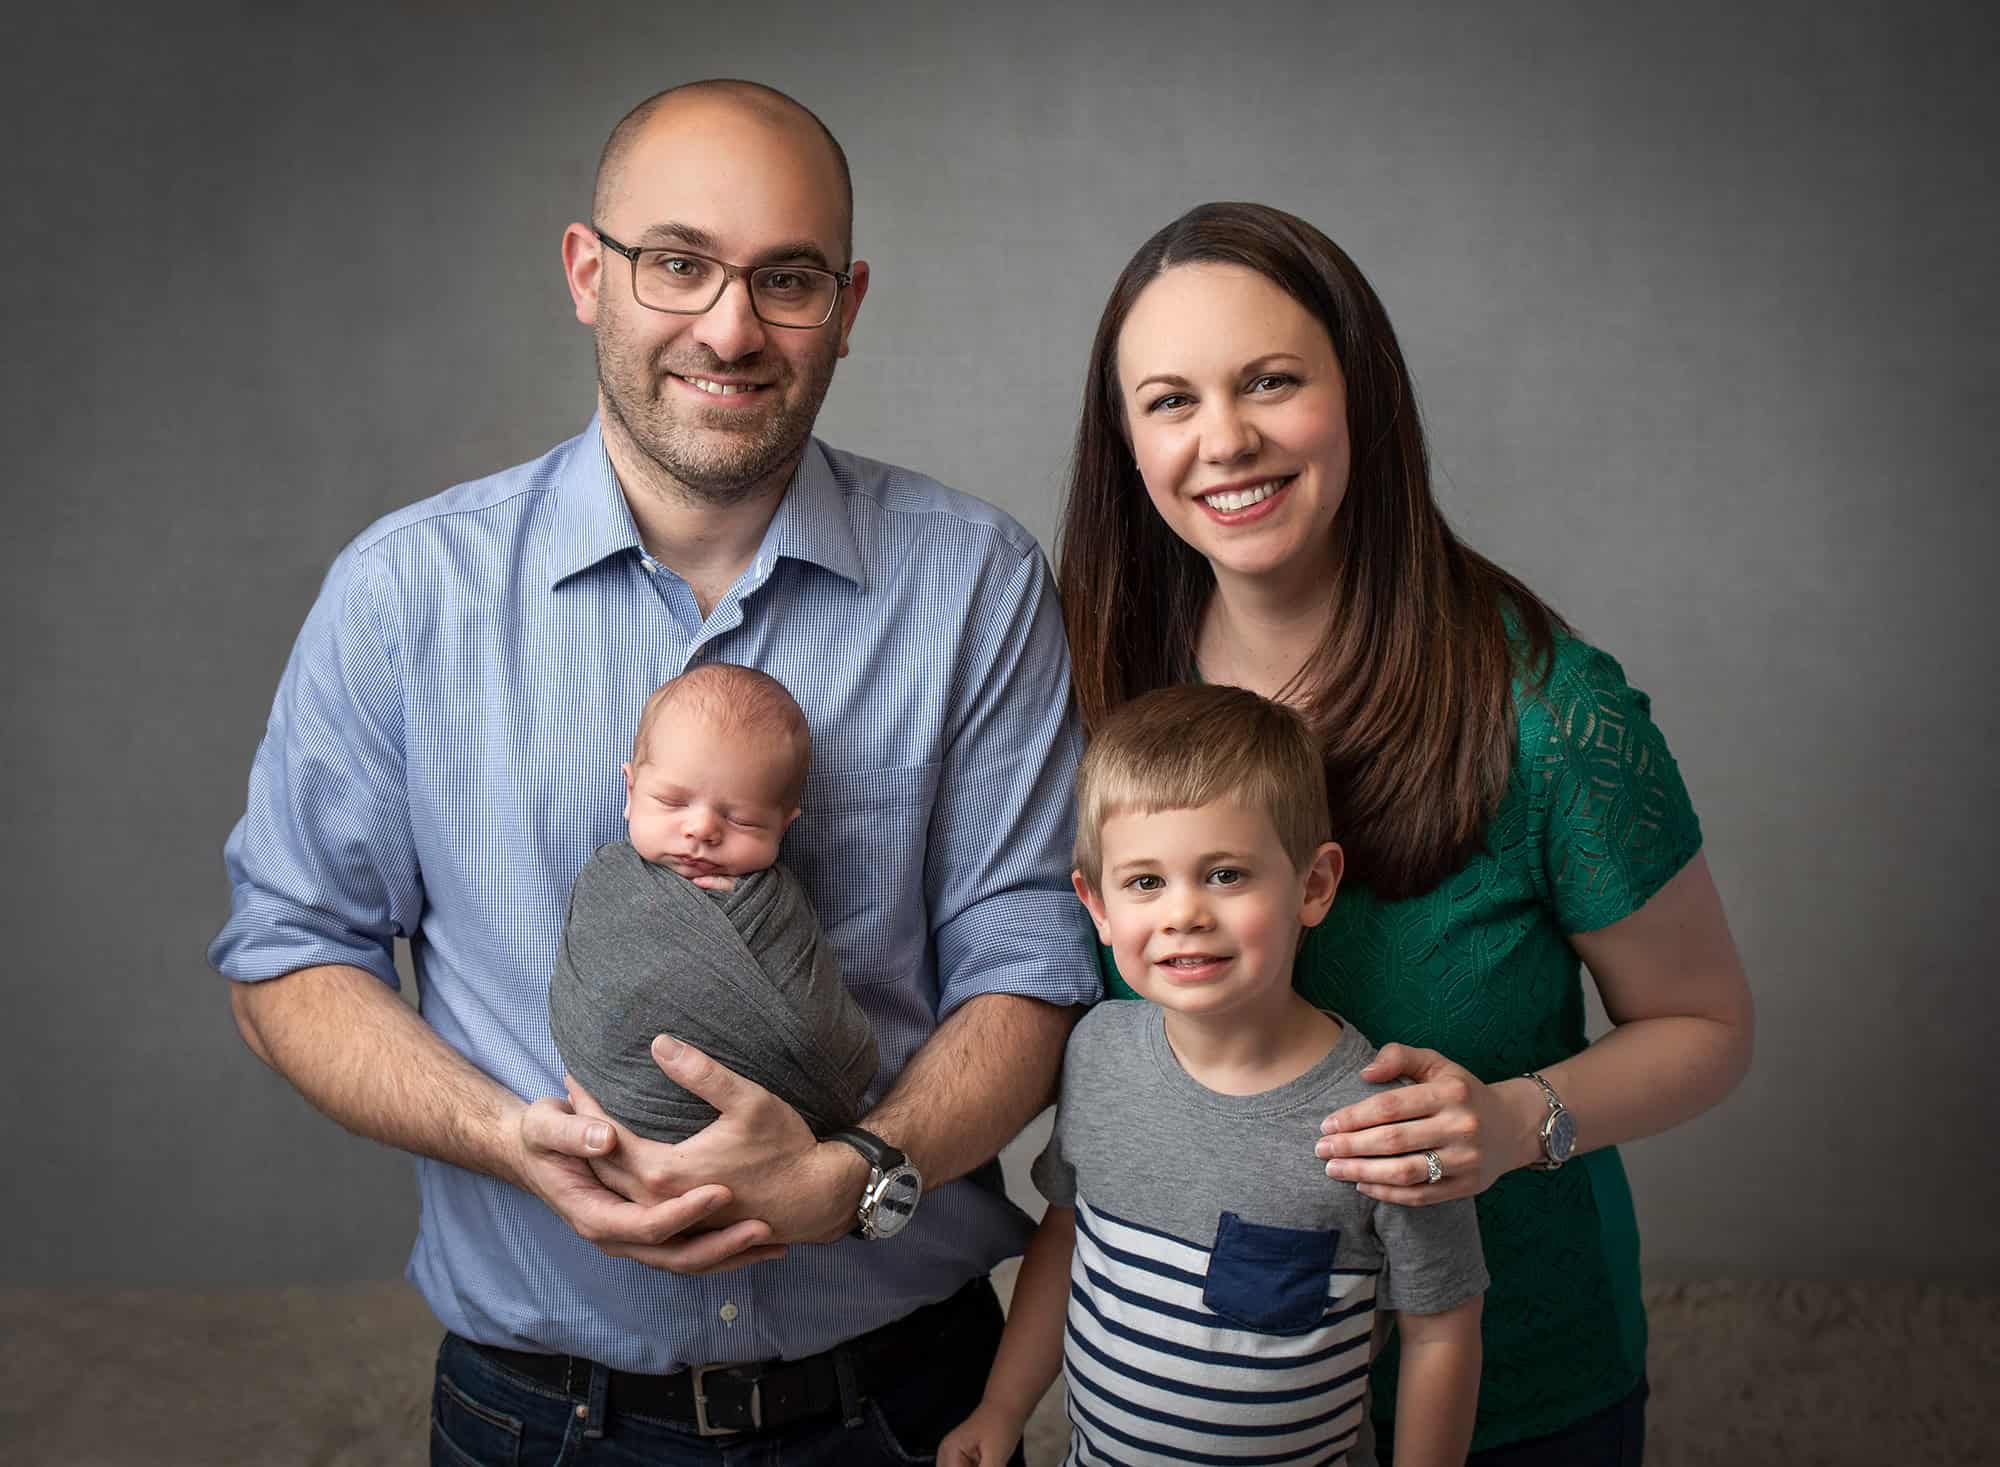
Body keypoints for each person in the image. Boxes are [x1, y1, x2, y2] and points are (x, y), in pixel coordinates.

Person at [210, 79, 1097, 1464]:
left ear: (848, 305)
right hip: (536, 1416)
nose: (731, 327)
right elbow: (284, 956)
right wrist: (507, 1134)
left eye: (787, 278)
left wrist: (846, 1172)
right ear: (587, 272)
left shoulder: (975, 585)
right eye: (677, 262)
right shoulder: (405, 595)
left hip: (905, 1405)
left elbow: (1034, 966)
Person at [1056, 202, 1754, 1464]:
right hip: (1195, 1419)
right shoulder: (1099, 683)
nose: (1224, 440)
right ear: (1124, 442)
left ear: (1359, 395)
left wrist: (1510, 1120)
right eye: (1169, 401)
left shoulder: (1548, 711)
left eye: (1270, 381)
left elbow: (1704, 1030)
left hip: (1511, 1390)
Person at [941, 684, 1487, 1467]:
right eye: (1145, 882)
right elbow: (1067, 1231)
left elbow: (1443, 1328)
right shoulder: (1097, 1051)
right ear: (1095, 905)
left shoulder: (1385, 1119)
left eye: (1226, 874)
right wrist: (1001, 1406)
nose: (1184, 913)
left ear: (1314, 884)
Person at [547, 662, 880, 1146]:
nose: (701, 829)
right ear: (631, 790)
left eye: (742, 820)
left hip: (785, 1151)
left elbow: (829, 1042)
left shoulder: (778, 908)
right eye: (672, 802)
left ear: (784, 827)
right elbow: (597, 1005)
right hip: (604, 1131)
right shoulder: (607, 886)